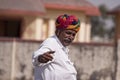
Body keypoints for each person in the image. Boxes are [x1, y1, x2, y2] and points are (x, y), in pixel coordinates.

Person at [32, 14, 80, 80]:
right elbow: (38, 55)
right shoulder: (51, 42)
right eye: (68, 33)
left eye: (73, 35)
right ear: (58, 32)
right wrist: (40, 58)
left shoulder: (63, 48)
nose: (71, 37)